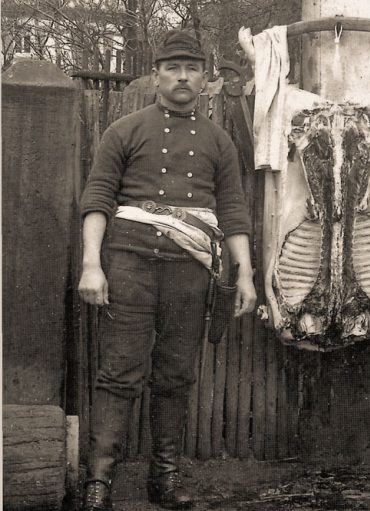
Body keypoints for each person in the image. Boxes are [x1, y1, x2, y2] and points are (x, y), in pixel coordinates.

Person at [77, 28, 256, 510]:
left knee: (176, 373)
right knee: (119, 373)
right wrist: (92, 265)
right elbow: (97, 199)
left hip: (189, 271)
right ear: (155, 76)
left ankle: (166, 478)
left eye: (192, 69)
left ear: (204, 79)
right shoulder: (126, 130)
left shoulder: (218, 141)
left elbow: (234, 212)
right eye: (172, 68)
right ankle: (98, 482)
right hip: (128, 264)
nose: (182, 77)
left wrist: (246, 276)